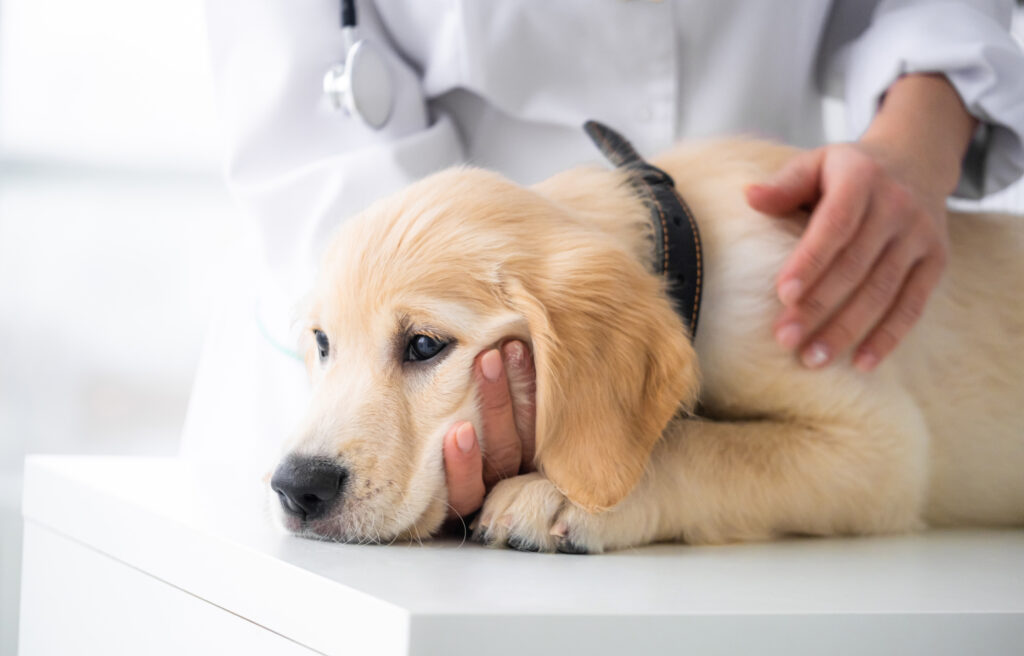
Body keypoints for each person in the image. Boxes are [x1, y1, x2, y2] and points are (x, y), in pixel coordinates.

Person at [188, 1, 1024, 522]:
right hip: (384, 239)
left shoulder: (766, 279)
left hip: (685, 312)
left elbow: (880, 460)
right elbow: (311, 159)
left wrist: (919, 138)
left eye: (421, 346)